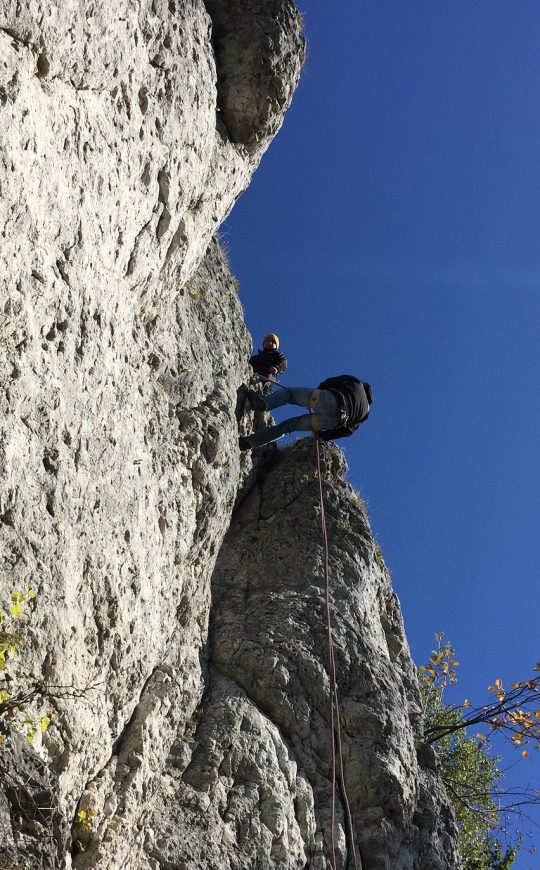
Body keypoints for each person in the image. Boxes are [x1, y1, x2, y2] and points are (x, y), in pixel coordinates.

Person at [239, 375, 372, 450]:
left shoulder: (357, 382)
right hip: (334, 421)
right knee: (288, 427)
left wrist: (318, 392)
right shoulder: (365, 414)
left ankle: (262, 403)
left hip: (333, 399)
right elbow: (347, 432)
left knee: (289, 394)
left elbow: (332, 381)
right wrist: (322, 435)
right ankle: (249, 443)